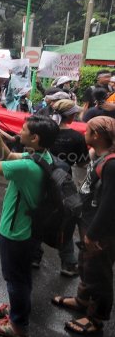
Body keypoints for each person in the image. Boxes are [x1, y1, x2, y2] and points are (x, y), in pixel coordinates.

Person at [0, 115, 60, 337]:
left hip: (15, 232)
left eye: (24, 129)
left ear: (34, 137)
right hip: (30, 229)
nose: (20, 131)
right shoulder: (42, 157)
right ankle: (16, 311)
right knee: (22, 276)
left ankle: (16, 325)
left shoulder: (27, 166)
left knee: (16, 279)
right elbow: (7, 155)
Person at [51, 116, 115, 335]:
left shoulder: (112, 164)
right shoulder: (100, 156)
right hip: (89, 219)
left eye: (87, 130)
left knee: (100, 272)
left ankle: (96, 318)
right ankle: (82, 300)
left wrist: (94, 233)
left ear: (96, 135)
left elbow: (110, 204)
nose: (84, 132)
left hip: (101, 229)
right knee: (86, 264)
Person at [32, 99, 88, 276]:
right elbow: (82, 162)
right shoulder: (76, 137)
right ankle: (68, 264)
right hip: (63, 185)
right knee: (65, 224)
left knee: (38, 219)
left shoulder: (46, 130)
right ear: (71, 116)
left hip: (40, 181)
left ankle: (34, 257)